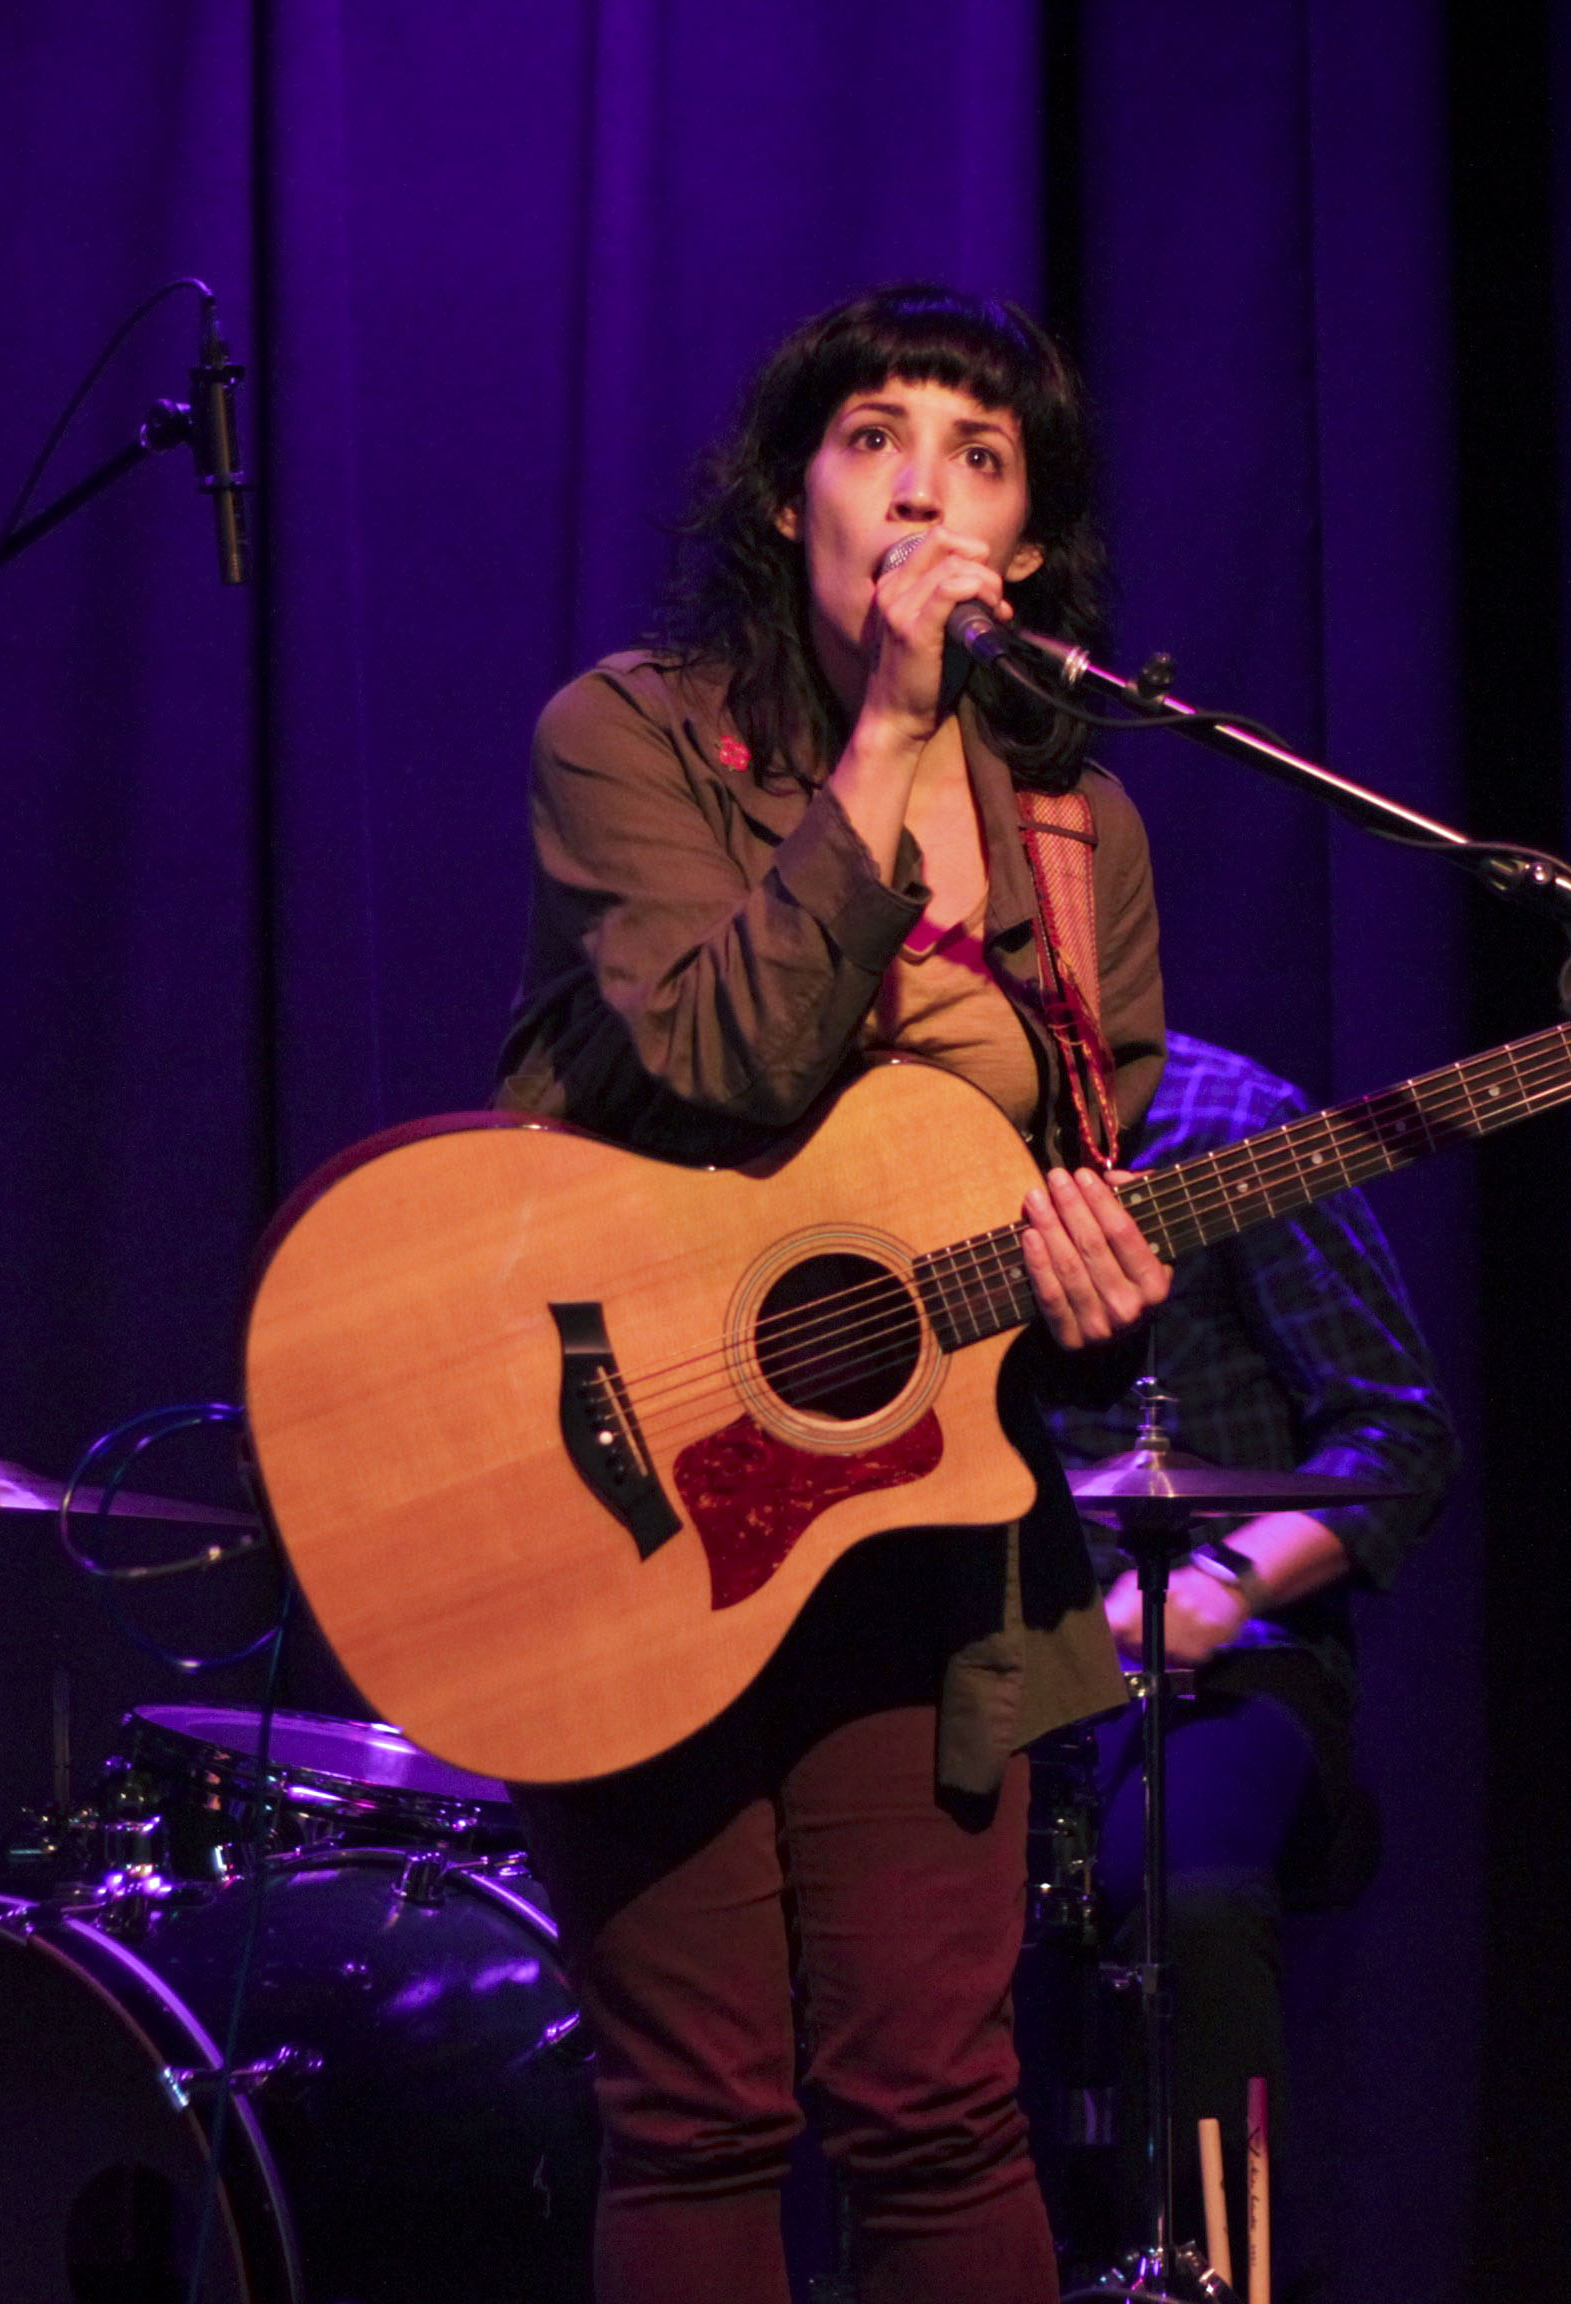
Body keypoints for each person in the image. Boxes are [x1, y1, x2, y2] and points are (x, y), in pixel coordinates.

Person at [490, 284, 1171, 2304]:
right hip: (632, 1484)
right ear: (791, 500)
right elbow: (721, 1055)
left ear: (1028, 542)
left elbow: (1077, 1188)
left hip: (922, 1526)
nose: (923, 490)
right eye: (874, 439)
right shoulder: (629, 735)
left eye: (981, 456)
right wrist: (885, 734)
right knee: (699, 2108)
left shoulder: (1081, 827)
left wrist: (1102, 1292)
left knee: (939, 2103)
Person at [1039, 1027, 1456, 2284]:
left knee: (1190, 1896)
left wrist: (1223, 1582)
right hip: (983, 1664)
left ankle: (1217, 2273)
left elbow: (1396, 1433)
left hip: (1215, 1662)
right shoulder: (869, 1142)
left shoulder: (1225, 1119)